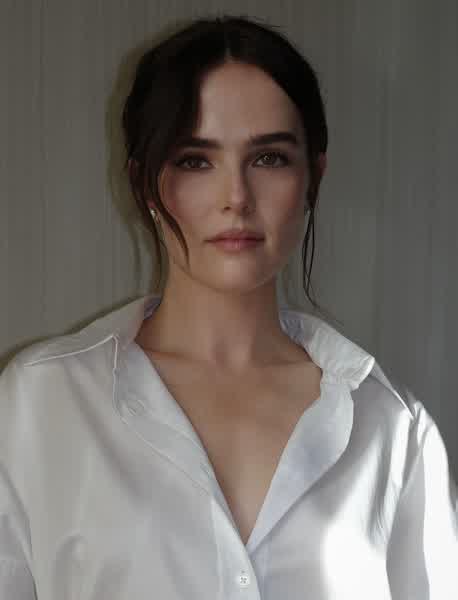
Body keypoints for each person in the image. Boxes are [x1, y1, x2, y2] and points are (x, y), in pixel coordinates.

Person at [1, 14, 457, 600]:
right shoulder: (42, 404)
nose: (236, 197)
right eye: (195, 160)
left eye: (269, 158)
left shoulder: (391, 430)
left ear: (313, 176)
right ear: (143, 182)